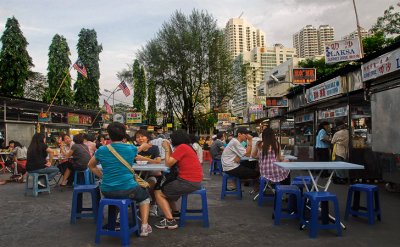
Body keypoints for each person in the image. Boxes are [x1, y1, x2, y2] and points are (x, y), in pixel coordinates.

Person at [88, 122, 153, 236]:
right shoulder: (130, 148)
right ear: (124, 135)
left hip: (107, 190)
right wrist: (143, 146)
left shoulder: (102, 150)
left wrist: (103, 177)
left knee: (116, 196)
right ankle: (144, 227)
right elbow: (137, 149)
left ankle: (115, 222)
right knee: (145, 197)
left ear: (108, 134)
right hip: (128, 189)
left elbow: (91, 166)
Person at [155, 129, 203, 229]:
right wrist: (169, 149)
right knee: (166, 188)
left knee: (158, 192)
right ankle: (175, 212)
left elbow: (168, 163)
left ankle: (170, 221)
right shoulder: (187, 146)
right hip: (194, 181)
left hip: (188, 182)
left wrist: (167, 148)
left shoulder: (182, 147)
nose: (171, 141)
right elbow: (173, 158)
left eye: (171, 139)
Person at [134, 129, 162, 217]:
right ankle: (139, 203)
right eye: (137, 137)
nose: (140, 139)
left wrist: (144, 159)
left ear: (147, 138)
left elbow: (158, 161)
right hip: (137, 175)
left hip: (151, 174)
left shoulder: (154, 148)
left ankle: (153, 205)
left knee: (152, 185)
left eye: (142, 136)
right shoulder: (134, 149)